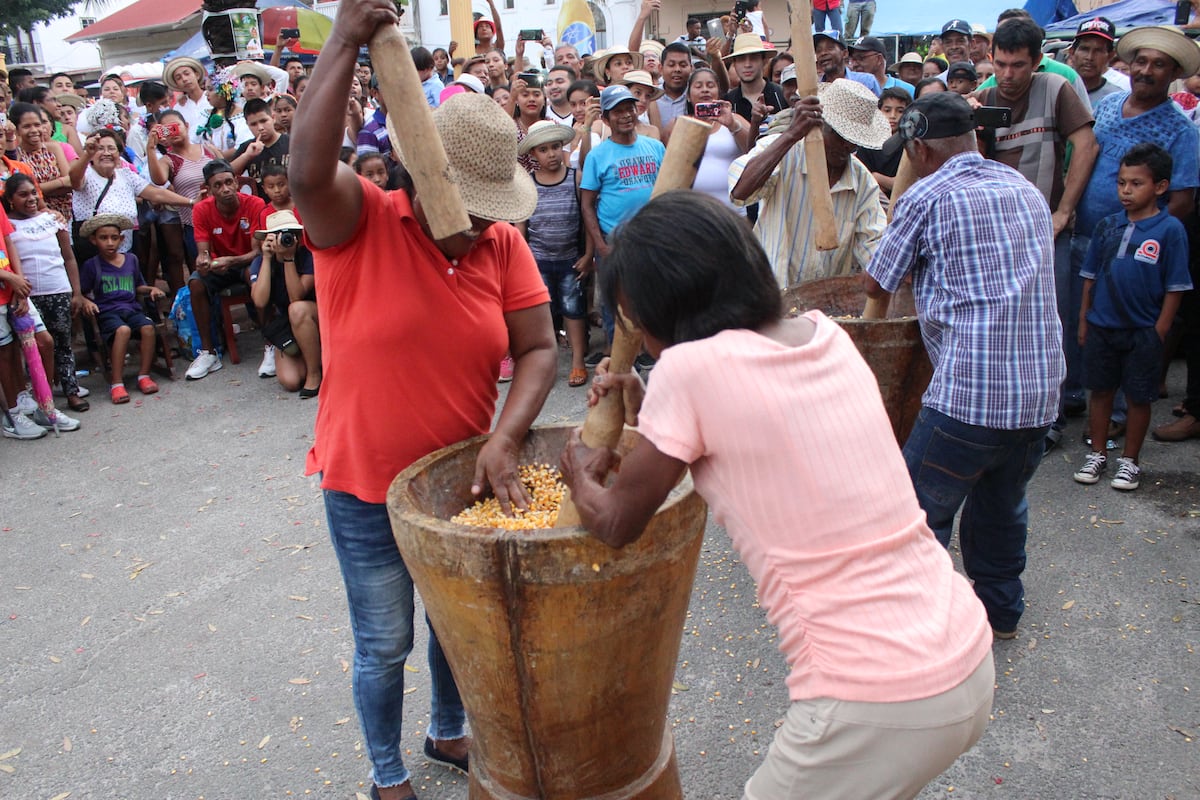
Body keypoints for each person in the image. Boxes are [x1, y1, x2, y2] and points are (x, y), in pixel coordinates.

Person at [561, 191, 994, 800]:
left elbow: (615, 521)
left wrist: (577, 467)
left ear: (662, 307)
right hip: (961, 651)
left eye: (633, 318)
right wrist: (643, 398)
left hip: (874, 696)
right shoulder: (826, 336)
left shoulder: (689, 372)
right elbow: (735, 422)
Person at [290, 3, 559, 797]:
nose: (481, 227)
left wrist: (505, 438)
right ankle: (386, 773)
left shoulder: (503, 244)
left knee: (453, 627)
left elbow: (539, 348)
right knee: (384, 642)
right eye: (469, 208)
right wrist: (343, 40)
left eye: (491, 212)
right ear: (420, 175)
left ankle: (447, 733)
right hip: (365, 481)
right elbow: (307, 170)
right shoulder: (359, 220)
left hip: (459, 481)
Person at [865, 92, 1065, 640]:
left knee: (918, 516)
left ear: (920, 148)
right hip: (1038, 395)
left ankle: (917, 628)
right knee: (1003, 504)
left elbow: (875, 284)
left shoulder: (925, 195)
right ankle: (1001, 613)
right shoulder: (1023, 189)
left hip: (968, 396)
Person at [974, 16, 1098, 451]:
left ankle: (1053, 416)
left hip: (1049, 227)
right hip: (1001, 234)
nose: (1008, 75)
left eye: (1018, 66)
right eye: (1001, 64)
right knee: (1006, 323)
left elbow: (1086, 147)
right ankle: (1011, 411)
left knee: (1054, 320)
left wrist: (1063, 212)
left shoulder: (1057, 90)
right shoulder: (983, 99)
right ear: (991, 59)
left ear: (1037, 62)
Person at [1072, 25, 1200, 445]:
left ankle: (1123, 414)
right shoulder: (1108, 105)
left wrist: (1143, 238)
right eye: (1141, 61)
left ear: (1173, 73)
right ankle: (1086, 404)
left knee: (1129, 329)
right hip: (1089, 235)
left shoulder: (1181, 130)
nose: (1146, 70)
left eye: (1158, 65)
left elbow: (1181, 200)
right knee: (1088, 322)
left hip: (1136, 253)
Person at [1073, 143, 1191, 489]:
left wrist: (1160, 329)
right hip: (1101, 325)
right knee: (1101, 390)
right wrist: (1084, 319)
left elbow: (1176, 285)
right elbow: (1090, 277)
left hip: (1143, 329)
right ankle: (1097, 453)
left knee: (1139, 396)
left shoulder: (1170, 231)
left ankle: (1130, 460)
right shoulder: (1107, 226)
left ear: (1160, 187)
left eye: (1136, 183)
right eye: (1122, 182)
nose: (1126, 190)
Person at [729, 79, 888, 286]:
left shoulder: (862, 182)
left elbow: (873, 246)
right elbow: (740, 192)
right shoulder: (782, 151)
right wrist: (792, 134)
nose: (847, 145)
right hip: (769, 294)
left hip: (826, 303)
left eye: (853, 141)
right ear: (819, 125)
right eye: (839, 136)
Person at [581, 86, 666, 345]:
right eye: (617, 111)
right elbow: (587, 204)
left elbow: (667, 188)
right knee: (614, 304)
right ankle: (616, 359)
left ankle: (651, 352)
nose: (626, 115)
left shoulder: (655, 147)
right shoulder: (597, 156)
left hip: (651, 238)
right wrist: (601, 245)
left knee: (653, 297)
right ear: (605, 119)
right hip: (613, 239)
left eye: (629, 108)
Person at [3, 173, 89, 415]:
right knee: (34, 347)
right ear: (10, 200)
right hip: (27, 296)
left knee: (63, 344)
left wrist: (76, 292)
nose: (30, 199)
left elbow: (69, 258)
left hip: (58, 289)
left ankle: (71, 391)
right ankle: (42, 394)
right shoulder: (8, 225)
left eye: (33, 193)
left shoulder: (53, 220)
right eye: (23, 195)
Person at [518, 121, 591, 388]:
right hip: (538, 260)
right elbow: (521, 225)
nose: (551, 154)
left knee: (574, 311)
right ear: (533, 154)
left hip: (571, 257)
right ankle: (546, 368)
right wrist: (523, 261)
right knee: (543, 316)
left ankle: (578, 362)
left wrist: (589, 254)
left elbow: (586, 217)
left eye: (555, 147)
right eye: (543, 149)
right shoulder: (528, 184)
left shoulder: (575, 178)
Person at [185, 160, 267, 381]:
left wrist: (231, 261)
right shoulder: (201, 209)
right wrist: (203, 261)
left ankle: (271, 344)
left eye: (229, 182)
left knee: (256, 274)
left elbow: (258, 252)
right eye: (218, 185)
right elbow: (202, 250)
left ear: (237, 182)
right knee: (196, 283)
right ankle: (208, 352)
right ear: (209, 189)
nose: (225, 189)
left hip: (246, 260)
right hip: (221, 264)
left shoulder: (255, 203)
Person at [69, 128, 196, 264]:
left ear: (119, 154)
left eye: (111, 148)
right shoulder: (86, 174)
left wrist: (191, 202)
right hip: (94, 255)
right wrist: (87, 154)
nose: (106, 153)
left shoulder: (126, 175)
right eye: (100, 149)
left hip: (124, 252)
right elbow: (74, 178)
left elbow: (157, 194)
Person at [76, 213, 165, 404]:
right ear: (94, 240)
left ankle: (144, 375)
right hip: (107, 313)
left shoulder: (131, 259)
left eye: (114, 238)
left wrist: (151, 288)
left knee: (148, 328)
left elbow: (137, 286)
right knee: (122, 330)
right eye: (103, 238)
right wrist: (87, 302)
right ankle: (116, 383)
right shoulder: (92, 265)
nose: (110, 243)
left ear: (122, 239)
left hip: (131, 309)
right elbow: (80, 293)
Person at [249, 210, 321, 396]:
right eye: (279, 235)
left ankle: (314, 374)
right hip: (288, 325)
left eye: (290, 233)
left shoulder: (308, 256)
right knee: (291, 380)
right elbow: (259, 301)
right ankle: (317, 361)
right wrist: (266, 258)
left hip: (314, 316)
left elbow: (296, 297)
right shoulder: (261, 262)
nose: (285, 239)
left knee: (296, 309)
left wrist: (288, 259)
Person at [666, 68, 751, 212]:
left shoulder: (734, 119)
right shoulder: (676, 125)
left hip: (733, 211)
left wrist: (733, 125)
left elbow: (753, 150)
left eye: (710, 86)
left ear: (719, 92)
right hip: (694, 213)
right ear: (688, 95)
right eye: (698, 86)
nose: (705, 90)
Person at [8, 102, 73, 225]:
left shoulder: (53, 147)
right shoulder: (16, 156)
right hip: (33, 218)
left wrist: (42, 188)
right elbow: (23, 191)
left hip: (65, 215)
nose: (34, 130)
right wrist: (60, 182)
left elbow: (70, 182)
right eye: (27, 126)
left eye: (37, 124)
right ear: (17, 130)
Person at [723, 34, 788, 135]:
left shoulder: (781, 94)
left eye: (753, 58)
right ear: (734, 64)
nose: (747, 64)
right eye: (741, 59)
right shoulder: (729, 101)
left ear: (764, 61)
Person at [856, 86, 910, 196]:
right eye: (887, 110)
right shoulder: (868, 142)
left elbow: (906, 184)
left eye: (900, 111)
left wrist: (877, 177)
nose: (893, 116)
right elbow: (862, 180)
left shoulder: (910, 144)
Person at [230, 98, 290, 197]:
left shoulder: (290, 142)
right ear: (247, 125)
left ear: (273, 117)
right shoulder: (247, 148)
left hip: (292, 206)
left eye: (264, 121)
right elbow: (228, 173)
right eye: (253, 124)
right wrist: (247, 156)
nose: (260, 127)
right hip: (262, 208)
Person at [1069, 18, 1127, 113]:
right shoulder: (1055, 91)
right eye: (1084, 49)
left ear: (1110, 56)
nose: (1089, 57)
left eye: (1098, 51)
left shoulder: (1118, 99)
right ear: (1072, 53)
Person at [199, 67, 254, 159]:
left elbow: (242, 146)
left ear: (223, 92)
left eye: (210, 89)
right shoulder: (204, 115)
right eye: (206, 89)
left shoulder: (241, 117)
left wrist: (218, 158)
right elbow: (194, 141)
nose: (206, 93)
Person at [814, 30, 880, 96]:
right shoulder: (814, 88)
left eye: (830, 48)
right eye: (818, 50)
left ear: (845, 54)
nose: (823, 53)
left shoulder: (866, 81)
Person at [162, 56, 212, 140]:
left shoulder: (212, 99)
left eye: (187, 74)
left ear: (197, 75)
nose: (184, 79)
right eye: (179, 78)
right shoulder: (178, 108)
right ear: (176, 84)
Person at [849, 36, 914, 97]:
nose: (854, 64)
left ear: (879, 59)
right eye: (853, 59)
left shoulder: (907, 90)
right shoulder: (849, 89)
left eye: (861, 58)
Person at [656, 42, 694, 128]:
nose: (677, 69)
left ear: (691, 69)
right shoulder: (652, 98)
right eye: (671, 65)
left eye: (683, 65)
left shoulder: (696, 96)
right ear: (660, 68)